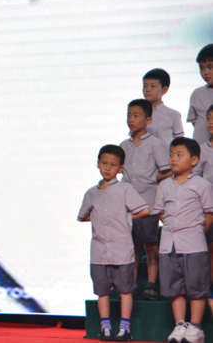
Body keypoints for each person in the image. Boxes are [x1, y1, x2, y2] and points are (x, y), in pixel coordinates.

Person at [78, 144, 150, 341]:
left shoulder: (125, 189)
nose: (107, 168)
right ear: (98, 164)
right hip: (99, 251)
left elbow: (144, 210)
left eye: (112, 165)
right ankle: (106, 326)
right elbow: (82, 216)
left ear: (120, 168)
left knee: (125, 290)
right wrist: (100, 218)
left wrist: (124, 217)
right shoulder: (91, 193)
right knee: (102, 291)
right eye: (104, 163)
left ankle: (125, 327)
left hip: (121, 250)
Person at [154, 137, 213, 343]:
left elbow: (209, 214)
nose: (173, 159)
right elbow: (161, 212)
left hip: (194, 244)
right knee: (174, 288)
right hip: (169, 243)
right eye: (171, 154)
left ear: (194, 160)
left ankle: (195, 328)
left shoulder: (202, 185)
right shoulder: (164, 185)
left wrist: (195, 232)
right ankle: (180, 325)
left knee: (197, 288)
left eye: (179, 155)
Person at [120, 99, 171, 300]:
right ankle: (131, 285)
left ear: (148, 120)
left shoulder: (156, 144)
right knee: (130, 246)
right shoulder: (123, 146)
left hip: (148, 203)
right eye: (128, 115)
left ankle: (151, 285)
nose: (131, 119)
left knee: (150, 245)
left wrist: (151, 178)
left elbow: (167, 171)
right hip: (127, 206)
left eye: (136, 115)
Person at [192, 104, 213, 283]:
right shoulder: (201, 149)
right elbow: (195, 178)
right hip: (208, 206)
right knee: (210, 246)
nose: (210, 122)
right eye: (208, 118)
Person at [142, 68, 184, 143]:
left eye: (152, 86)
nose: (147, 90)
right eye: (145, 86)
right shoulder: (139, 113)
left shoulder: (173, 115)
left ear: (164, 90)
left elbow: (179, 141)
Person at [188, 44, 213, 146]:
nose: (205, 72)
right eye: (201, 68)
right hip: (200, 149)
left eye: (210, 67)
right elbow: (195, 122)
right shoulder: (197, 94)